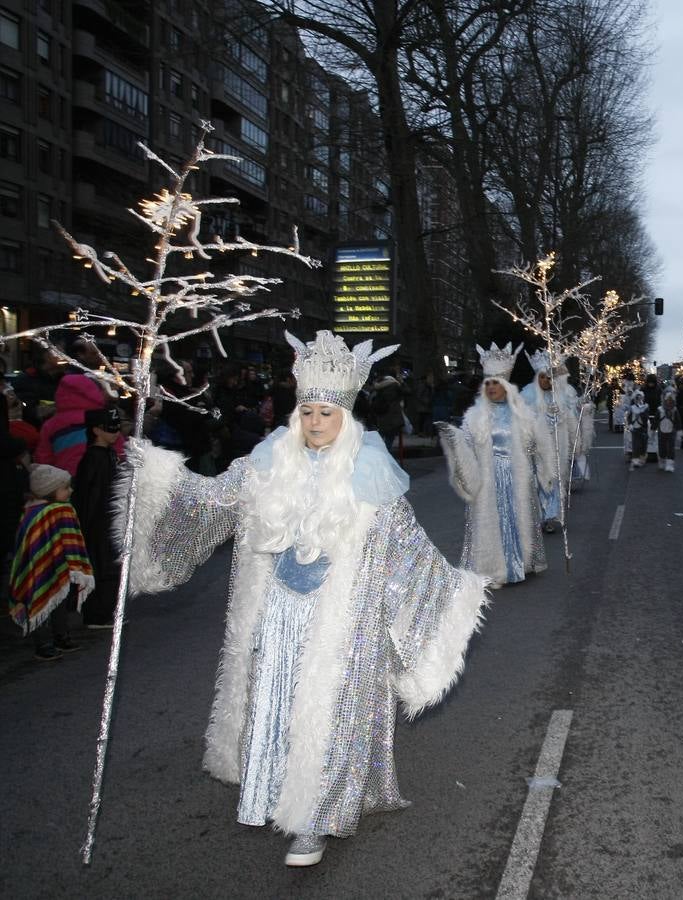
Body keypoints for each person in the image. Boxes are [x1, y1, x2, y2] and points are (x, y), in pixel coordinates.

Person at [119, 331, 490, 867]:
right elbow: (210, 499)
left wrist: (453, 594)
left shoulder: (371, 474)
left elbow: (409, 550)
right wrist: (152, 475)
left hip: (344, 622)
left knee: (331, 714)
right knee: (281, 703)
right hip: (280, 612)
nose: (316, 422)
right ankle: (274, 791)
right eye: (309, 411)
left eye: (327, 413)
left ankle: (316, 820)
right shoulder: (266, 462)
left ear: (346, 419)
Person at [437, 343, 556, 587]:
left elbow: (539, 444)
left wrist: (544, 467)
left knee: (519, 518)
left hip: (517, 477)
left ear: (506, 387)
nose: (491, 387)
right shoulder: (474, 417)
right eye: (488, 383)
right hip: (488, 479)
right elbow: (466, 447)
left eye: (496, 383)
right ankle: (493, 568)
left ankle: (519, 563)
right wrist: (453, 438)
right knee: (489, 522)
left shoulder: (523, 414)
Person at [8, 464, 92, 660]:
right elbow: (30, 543)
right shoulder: (39, 513)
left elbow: (69, 536)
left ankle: (61, 635)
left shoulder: (58, 509)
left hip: (59, 565)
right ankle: (43, 642)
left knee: (58, 600)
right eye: (65, 488)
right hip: (38, 567)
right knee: (39, 598)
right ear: (49, 490)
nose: (70, 491)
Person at [73, 407, 123, 628]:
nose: (115, 432)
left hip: (109, 519)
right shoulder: (93, 459)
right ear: (96, 430)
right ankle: (96, 614)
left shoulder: (108, 455)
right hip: (98, 523)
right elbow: (89, 496)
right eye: (109, 428)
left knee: (110, 565)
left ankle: (104, 611)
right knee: (101, 565)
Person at [521, 352, 579, 532]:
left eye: (548, 377)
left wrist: (559, 413)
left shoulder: (559, 395)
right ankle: (542, 516)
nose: (545, 380)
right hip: (537, 448)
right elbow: (522, 420)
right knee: (539, 481)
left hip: (555, 447)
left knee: (554, 480)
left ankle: (551, 515)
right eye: (542, 377)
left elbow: (568, 417)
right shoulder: (528, 394)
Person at [35, 373, 124, 475]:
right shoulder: (102, 417)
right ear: (93, 392)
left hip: (66, 482)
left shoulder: (51, 425)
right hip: (101, 478)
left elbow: (43, 459)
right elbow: (121, 450)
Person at [625, 390, 650, 471]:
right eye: (637, 399)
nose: (639, 400)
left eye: (640, 398)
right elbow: (629, 417)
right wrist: (630, 424)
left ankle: (642, 458)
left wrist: (642, 411)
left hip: (643, 428)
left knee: (643, 444)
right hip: (635, 428)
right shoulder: (632, 408)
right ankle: (635, 459)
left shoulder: (646, 407)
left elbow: (646, 418)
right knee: (635, 445)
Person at [656, 392, 681, 472]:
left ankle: (670, 464)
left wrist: (679, 430)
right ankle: (662, 461)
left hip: (671, 430)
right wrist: (653, 429)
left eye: (671, 400)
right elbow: (656, 420)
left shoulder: (674, 410)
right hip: (661, 429)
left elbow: (677, 420)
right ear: (665, 400)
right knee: (661, 446)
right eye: (667, 400)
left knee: (671, 447)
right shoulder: (660, 409)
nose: (669, 402)